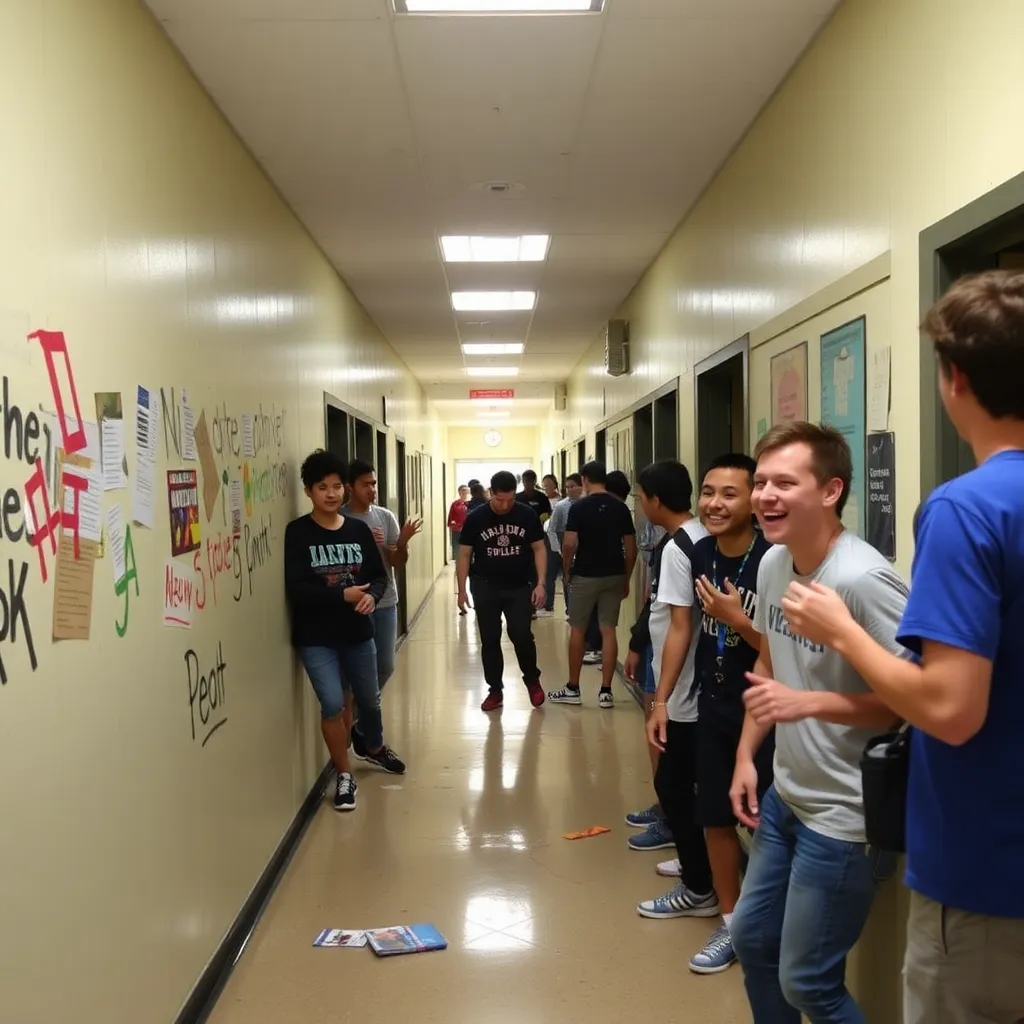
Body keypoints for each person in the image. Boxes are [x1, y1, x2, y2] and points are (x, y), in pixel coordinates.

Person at [781, 271, 1024, 1022]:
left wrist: (844, 632)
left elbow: (949, 710)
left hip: (989, 875)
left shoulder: (969, 509)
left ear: (953, 381)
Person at [728, 421, 906, 1024]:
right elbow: (771, 660)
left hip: (845, 816)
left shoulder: (863, 580)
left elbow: (915, 703)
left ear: (830, 491)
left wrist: (810, 705)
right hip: (787, 797)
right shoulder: (776, 564)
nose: (764, 496)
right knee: (753, 941)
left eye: (784, 483)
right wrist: (746, 757)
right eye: (760, 483)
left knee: (808, 982)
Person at [685, 454, 773, 974]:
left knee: (766, 825)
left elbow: (790, 648)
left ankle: (762, 923)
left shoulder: (773, 560)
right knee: (714, 817)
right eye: (709, 492)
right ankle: (731, 920)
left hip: (765, 710)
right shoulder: (700, 552)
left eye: (730, 494)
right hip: (714, 706)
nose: (715, 504)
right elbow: (694, 629)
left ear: (754, 501)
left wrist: (737, 620)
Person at [284, 450, 406, 812]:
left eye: (337, 486)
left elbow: (380, 577)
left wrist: (371, 598)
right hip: (316, 637)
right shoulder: (299, 533)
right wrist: (344, 594)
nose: (331, 494)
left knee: (369, 698)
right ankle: (344, 775)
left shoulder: (358, 529)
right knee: (334, 704)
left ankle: (374, 747)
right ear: (309, 492)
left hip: (358, 633)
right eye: (322, 487)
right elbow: (298, 588)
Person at [624, 461, 707, 850]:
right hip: (673, 668)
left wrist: (661, 696)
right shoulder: (692, 536)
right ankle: (667, 814)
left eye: (641, 497)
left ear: (656, 500)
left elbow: (680, 624)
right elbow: (658, 609)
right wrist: (640, 644)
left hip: (680, 675)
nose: (640, 505)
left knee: (674, 764)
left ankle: (675, 827)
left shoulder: (678, 546)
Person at [341, 460, 422, 760]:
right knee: (353, 673)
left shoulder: (384, 517)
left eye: (374, 484)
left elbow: (397, 562)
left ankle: (361, 725)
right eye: (366, 484)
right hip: (352, 604)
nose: (372, 489)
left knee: (385, 665)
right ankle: (363, 731)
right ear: (350, 487)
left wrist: (401, 542)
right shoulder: (340, 517)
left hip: (385, 600)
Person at [458, 470, 547, 712]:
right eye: (500, 500)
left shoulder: (526, 514)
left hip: (519, 586)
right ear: (491, 493)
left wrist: (541, 583)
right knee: (490, 639)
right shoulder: (476, 517)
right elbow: (464, 554)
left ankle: (532, 680)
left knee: (521, 634)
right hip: (485, 586)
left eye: (510, 500)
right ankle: (495, 690)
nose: (506, 505)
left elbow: (539, 548)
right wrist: (461, 590)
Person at [550, 461, 637, 708]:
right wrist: (626, 577)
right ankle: (606, 692)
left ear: (585, 480)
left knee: (577, 629)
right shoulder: (620, 508)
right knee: (608, 629)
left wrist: (567, 570)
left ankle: (573, 689)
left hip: (585, 575)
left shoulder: (579, 508)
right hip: (614, 575)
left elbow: (568, 544)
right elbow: (631, 550)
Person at [540, 473, 582, 616]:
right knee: (558, 576)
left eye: (573, 486)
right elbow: (551, 529)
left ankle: (574, 608)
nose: (569, 490)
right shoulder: (561, 506)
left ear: (581, 486)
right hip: (559, 545)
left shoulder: (586, 503)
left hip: (579, 546)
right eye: (567, 487)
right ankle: (554, 605)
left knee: (574, 578)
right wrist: (557, 549)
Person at [447, 484, 470, 560]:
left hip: (468, 530)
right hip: (457, 530)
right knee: (456, 549)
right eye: (462, 491)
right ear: (459, 492)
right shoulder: (455, 504)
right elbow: (451, 516)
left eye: (466, 491)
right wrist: (454, 525)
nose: (464, 493)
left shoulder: (471, 504)